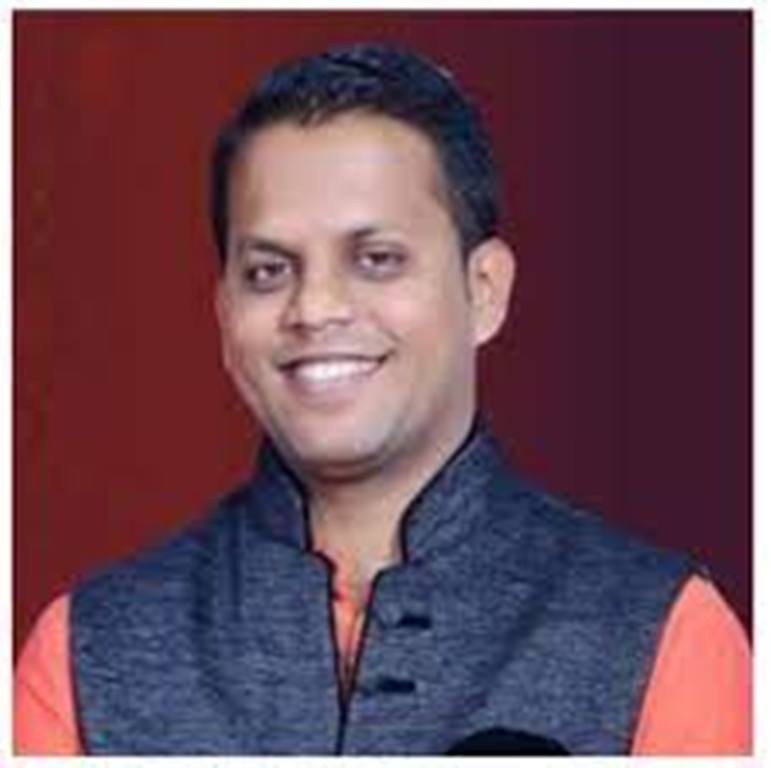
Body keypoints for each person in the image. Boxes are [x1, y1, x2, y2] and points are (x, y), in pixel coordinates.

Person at [14, 42, 750, 756]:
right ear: (224, 313)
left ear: (483, 291)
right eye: (269, 270)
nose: (314, 308)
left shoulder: (661, 633)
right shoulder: (86, 654)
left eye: (376, 259)